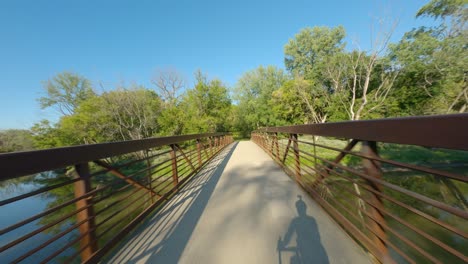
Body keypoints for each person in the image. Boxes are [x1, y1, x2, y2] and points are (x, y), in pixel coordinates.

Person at [278, 195, 329, 264]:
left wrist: (282, 244)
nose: (299, 210)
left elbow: (288, 235)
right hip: (318, 249)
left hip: (305, 250)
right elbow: (317, 236)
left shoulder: (296, 221)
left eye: (299, 209)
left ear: (299, 210)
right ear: (305, 209)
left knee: (295, 260)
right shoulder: (312, 220)